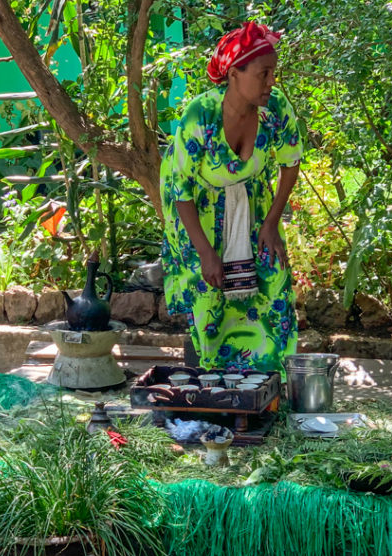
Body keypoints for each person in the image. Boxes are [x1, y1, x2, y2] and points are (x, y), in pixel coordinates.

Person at [160, 22, 302, 373]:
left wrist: (271, 223)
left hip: (249, 203)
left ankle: (270, 379)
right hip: (196, 209)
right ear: (235, 73)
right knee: (211, 292)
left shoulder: (275, 109)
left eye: (274, 73)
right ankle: (216, 384)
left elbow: (291, 162)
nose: (271, 82)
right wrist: (206, 252)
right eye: (263, 73)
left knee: (274, 281)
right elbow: (181, 191)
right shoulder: (201, 115)